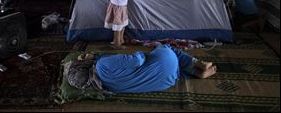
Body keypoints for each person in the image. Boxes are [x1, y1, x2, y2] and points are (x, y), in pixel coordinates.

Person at [68, 44, 217, 93]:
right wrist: (141, 52)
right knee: (165, 48)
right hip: (165, 64)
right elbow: (137, 61)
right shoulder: (101, 65)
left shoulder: (103, 87)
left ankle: (197, 73)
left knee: (163, 69)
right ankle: (199, 64)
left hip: (168, 82)